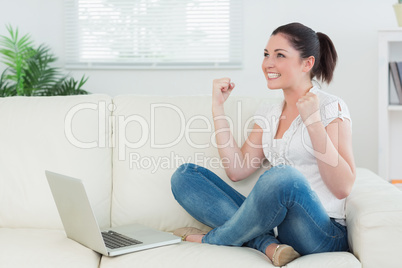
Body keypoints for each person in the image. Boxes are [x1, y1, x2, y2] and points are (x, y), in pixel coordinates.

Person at [170, 22, 356, 267]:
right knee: (184, 176)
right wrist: (218, 107)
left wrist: (312, 121)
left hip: (323, 233)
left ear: (307, 63)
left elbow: (343, 187)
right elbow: (237, 170)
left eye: (280, 55)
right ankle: (268, 245)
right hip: (281, 231)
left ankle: (213, 239)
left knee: (283, 176)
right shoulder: (269, 113)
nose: (268, 63)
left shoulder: (331, 107)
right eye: (267, 55)